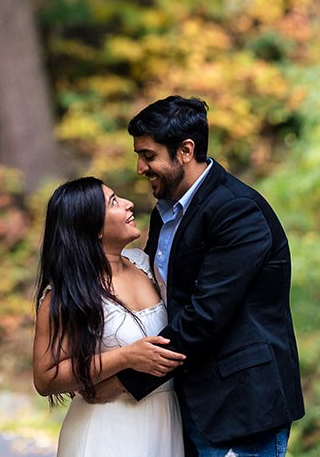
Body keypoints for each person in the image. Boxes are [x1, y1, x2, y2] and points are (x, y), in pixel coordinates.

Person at [105, 95, 304, 457]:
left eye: (148, 155)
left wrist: (125, 379)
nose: (140, 168)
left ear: (185, 150)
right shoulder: (165, 212)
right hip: (185, 403)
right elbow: (160, 300)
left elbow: (206, 315)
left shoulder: (236, 210)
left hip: (240, 408)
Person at [32, 175, 186, 457]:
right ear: (92, 228)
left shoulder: (145, 264)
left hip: (164, 420)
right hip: (105, 430)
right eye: (113, 202)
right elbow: (46, 378)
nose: (128, 204)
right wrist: (126, 357)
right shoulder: (68, 295)